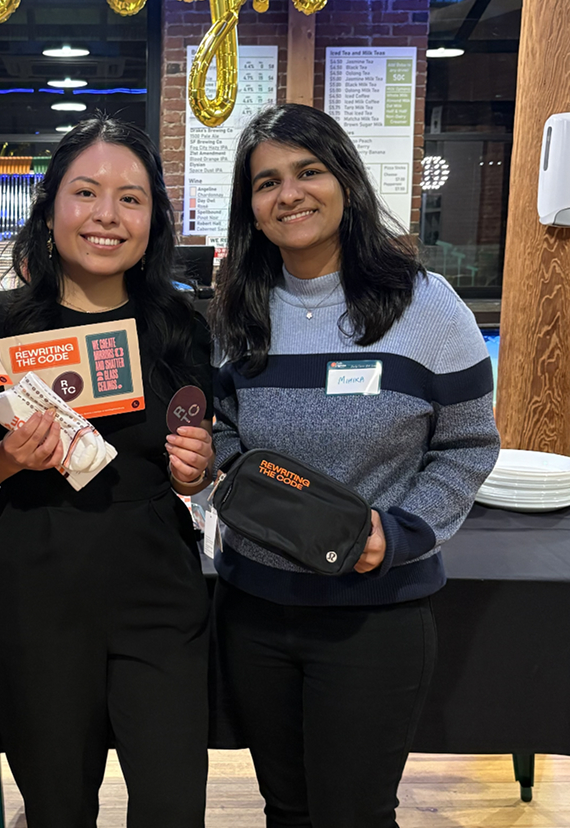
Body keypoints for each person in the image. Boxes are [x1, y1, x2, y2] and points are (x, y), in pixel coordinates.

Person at [209, 102, 501, 828]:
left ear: (344, 178)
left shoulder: (424, 304)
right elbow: (220, 429)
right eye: (266, 181)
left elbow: (467, 446)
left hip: (373, 616)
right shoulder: (236, 307)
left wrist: (400, 533)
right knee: (285, 808)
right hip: (252, 609)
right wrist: (214, 467)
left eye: (307, 171)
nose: (289, 194)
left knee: (354, 814)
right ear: (250, 205)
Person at [0, 116, 215, 828]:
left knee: (171, 807)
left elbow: (195, 455)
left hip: (157, 594)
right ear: (50, 210)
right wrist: (7, 457)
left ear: (153, 219)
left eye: (130, 198)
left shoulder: (179, 325)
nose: (107, 215)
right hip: (35, 592)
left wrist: (197, 470)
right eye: (85, 192)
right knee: (57, 808)